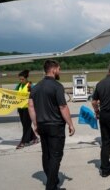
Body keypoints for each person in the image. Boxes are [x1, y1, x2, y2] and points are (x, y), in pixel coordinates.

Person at [28, 60, 75, 190]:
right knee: (55, 155)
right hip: (55, 126)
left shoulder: (36, 87)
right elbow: (63, 106)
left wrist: (35, 123)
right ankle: (51, 186)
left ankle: (52, 179)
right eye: (59, 69)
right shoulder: (57, 86)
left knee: (46, 154)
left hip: (42, 125)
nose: (59, 71)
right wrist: (70, 124)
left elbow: (31, 106)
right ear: (53, 69)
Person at [15, 69, 38, 149]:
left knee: (26, 125)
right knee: (25, 125)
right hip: (21, 108)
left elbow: (35, 95)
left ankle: (23, 142)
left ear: (26, 78)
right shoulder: (18, 86)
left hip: (28, 108)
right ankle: (34, 138)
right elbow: (13, 94)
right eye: (20, 79)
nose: (21, 80)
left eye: (22, 79)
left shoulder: (30, 85)